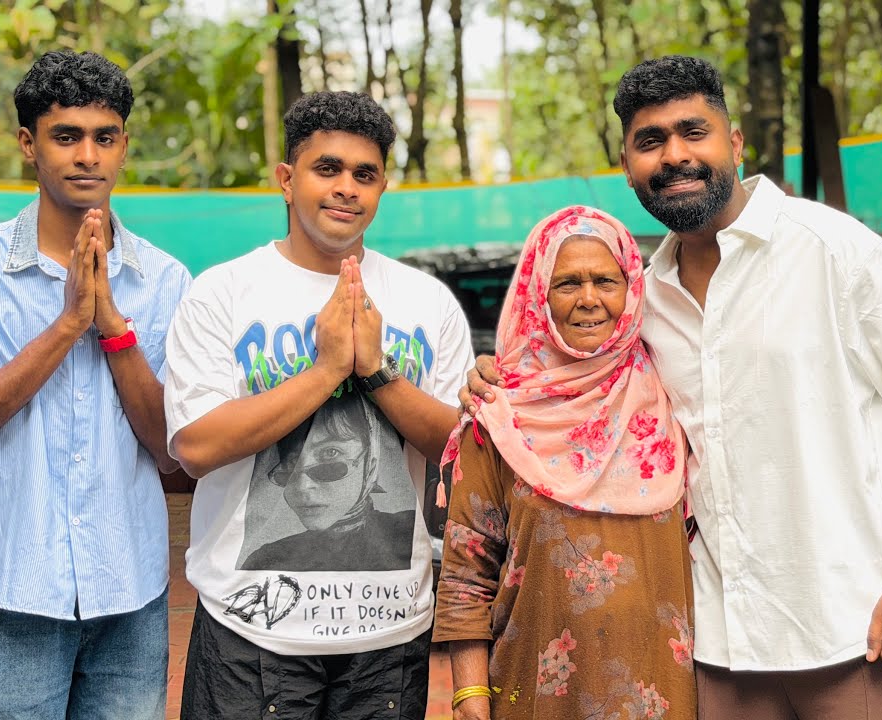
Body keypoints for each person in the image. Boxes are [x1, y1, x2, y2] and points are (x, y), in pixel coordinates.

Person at [462, 56, 882, 719]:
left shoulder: (835, 251)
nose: (674, 155)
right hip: (719, 656)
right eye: (650, 141)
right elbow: (570, 386)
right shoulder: (641, 302)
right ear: (627, 166)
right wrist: (495, 382)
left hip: (860, 631)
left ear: (734, 143)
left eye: (694, 131)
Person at [164, 90, 474, 719]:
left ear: (381, 186)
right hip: (251, 629)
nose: (346, 189)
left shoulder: (426, 301)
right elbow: (195, 446)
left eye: (365, 174)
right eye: (326, 168)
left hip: (390, 631)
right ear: (286, 179)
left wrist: (377, 372)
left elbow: (462, 449)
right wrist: (328, 369)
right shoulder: (222, 293)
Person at [0, 50, 191, 718]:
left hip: (129, 593)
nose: (87, 155)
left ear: (124, 147)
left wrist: (113, 329)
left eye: (104, 137)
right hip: (9, 588)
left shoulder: (164, 281)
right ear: (29, 146)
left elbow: (172, 453)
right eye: (66, 136)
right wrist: (66, 326)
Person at [434, 205, 696, 720]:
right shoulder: (499, 417)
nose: (589, 299)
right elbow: (466, 576)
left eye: (606, 280)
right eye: (567, 283)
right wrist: (469, 698)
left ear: (632, 290)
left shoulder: (673, 391)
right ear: (538, 295)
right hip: (531, 698)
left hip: (666, 695)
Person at [241, 391, 414, 571]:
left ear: (370, 465)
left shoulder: (409, 532)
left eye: (330, 453)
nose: (303, 486)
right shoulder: (266, 559)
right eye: (290, 464)